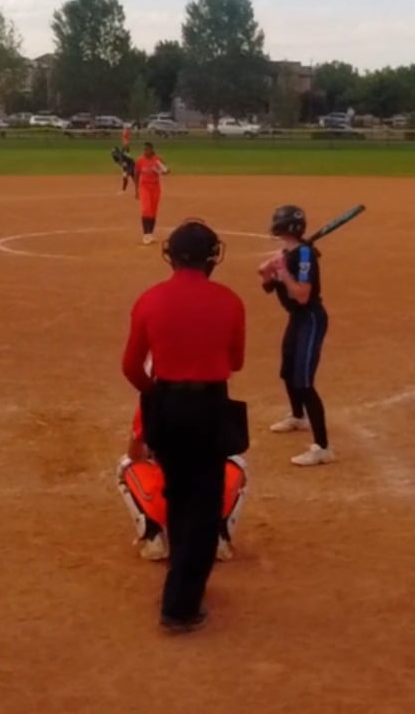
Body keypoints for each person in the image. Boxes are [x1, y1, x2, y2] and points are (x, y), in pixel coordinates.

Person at [120, 220, 246, 634]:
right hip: (210, 405)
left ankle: (180, 583)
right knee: (205, 503)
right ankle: (180, 606)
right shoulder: (229, 301)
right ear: (211, 258)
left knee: (177, 493)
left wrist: (157, 395)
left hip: (167, 405)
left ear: (171, 256)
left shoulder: (150, 299)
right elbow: (236, 361)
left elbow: (131, 366)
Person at [117, 401, 247, 562]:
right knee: (238, 464)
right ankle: (219, 536)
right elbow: (229, 448)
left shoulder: (151, 402)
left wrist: (155, 453)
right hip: (212, 501)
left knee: (125, 465)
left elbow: (135, 454)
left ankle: (154, 536)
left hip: (167, 503)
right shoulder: (215, 398)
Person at [261, 205, 334, 466]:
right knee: (287, 372)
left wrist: (283, 272)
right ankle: (297, 416)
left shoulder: (304, 254)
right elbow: (268, 288)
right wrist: (267, 273)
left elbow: (302, 295)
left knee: (303, 381)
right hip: (297, 319)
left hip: (310, 319)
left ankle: (322, 447)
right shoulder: (288, 252)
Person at [134, 142, 169, 245]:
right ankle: (146, 235)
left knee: (153, 211)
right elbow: (136, 174)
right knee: (146, 210)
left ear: (151, 150)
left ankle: (150, 234)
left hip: (155, 188)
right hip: (145, 188)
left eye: (147, 150)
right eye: (144, 150)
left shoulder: (157, 160)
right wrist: (136, 189)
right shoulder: (140, 161)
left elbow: (165, 171)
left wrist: (164, 171)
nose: (145, 152)